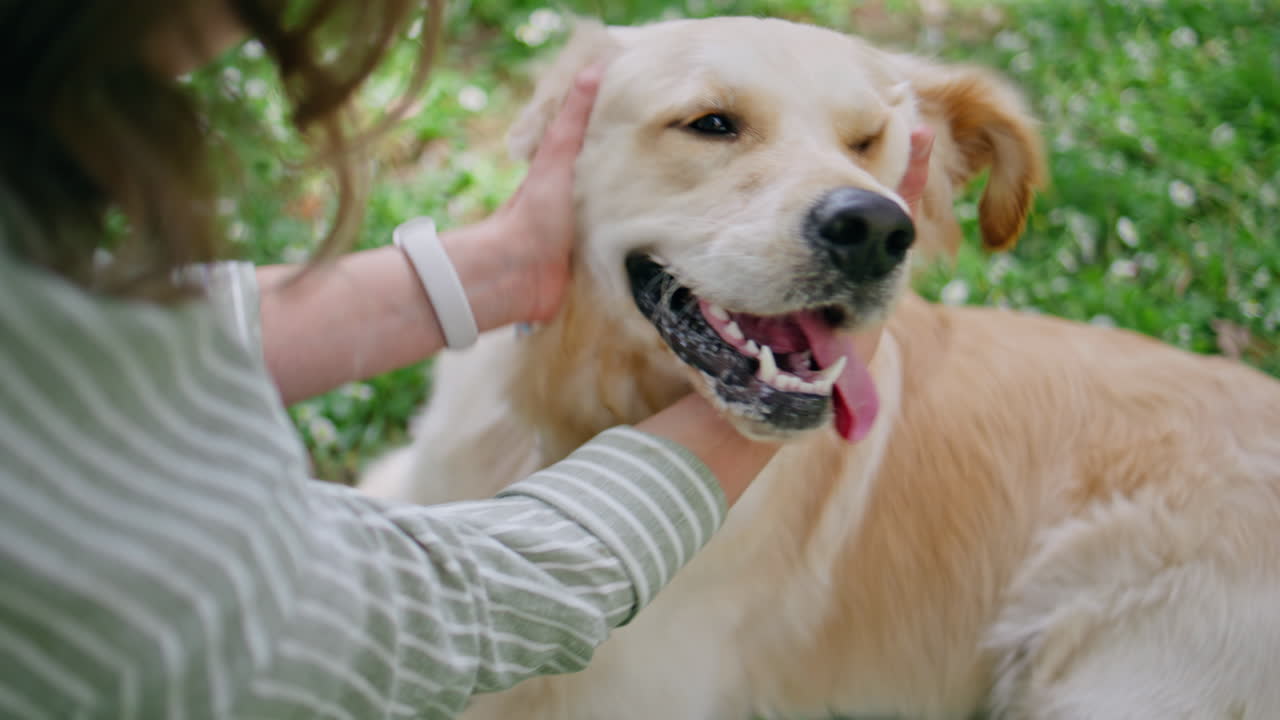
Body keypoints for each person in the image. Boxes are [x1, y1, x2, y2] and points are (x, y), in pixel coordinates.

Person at [0, 1, 934, 718]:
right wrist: (751, 419)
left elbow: (70, 350)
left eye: (862, 146)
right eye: (714, 124)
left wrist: (495, 272)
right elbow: (355, 632)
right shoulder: (86, 560)